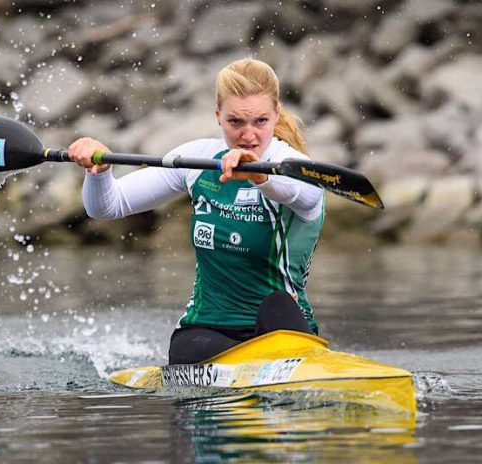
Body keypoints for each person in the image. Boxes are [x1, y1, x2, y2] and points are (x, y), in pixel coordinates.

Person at [68, 58, 325, 364]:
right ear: (218, 116)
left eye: (260, 121)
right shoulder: (196, 159)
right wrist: (99, 171)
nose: (249, 135)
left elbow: (307, 196)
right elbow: (107, 207)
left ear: (276, 115)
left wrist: (260, 177)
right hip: (208, 331)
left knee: (277, 303)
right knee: (188, 350)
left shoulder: (294, 166)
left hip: (281, 330)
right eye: (235, 122)